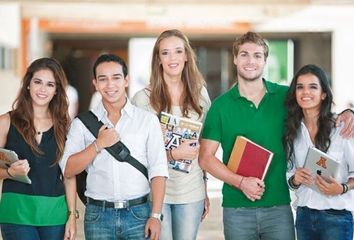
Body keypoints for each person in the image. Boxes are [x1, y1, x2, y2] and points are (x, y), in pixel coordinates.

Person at [198, 31, 354, 240]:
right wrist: (241, 182)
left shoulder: (285, 97)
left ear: (265, 60)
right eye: (244, 54)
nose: (250, 61)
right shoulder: (220, 107)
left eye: (257, 55)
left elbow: (316, 107)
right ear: (235, 58)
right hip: (237, 209)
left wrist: (348, 113)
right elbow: (206, 158)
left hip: (279, 208)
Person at [60, 53, 168, 240]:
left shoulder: (147, 121)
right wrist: (98, 144)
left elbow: (158, 170)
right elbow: (68, 169)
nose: (110, 85)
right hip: (98, 216)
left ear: (126, 80)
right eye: (103, 79)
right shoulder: (82, 124)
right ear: (95, 83)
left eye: (116, 78)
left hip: (139, 214)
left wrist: (155, 215)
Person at [132, 29, 211, 240]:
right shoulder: (142, 100)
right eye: (165, 53)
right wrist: (174, 154)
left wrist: (205, 188)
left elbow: (205, 147)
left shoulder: (200, 94)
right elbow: (136, 154)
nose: (172, 58)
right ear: (158, 59)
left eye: (178, 51)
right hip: (156, 192)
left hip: (191, 190)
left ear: (187, 56)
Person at [0, 57, 77, 240]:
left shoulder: (65, 127)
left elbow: (69, 174)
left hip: (54, 215)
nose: (43, 89)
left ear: (57, 90)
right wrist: (10, 172)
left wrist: (72, 217)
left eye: (50, 84)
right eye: (38, 82)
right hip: (16, 214)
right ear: (28, 84)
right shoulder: (5, 122)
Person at [284, 64, 354, 240]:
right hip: (304, 217)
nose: (305, 92)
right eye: (300, 87)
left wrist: (342, 188)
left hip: (337, 218)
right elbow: (290, 176)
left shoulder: (342, 128)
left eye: (313, 87)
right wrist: (295, 179)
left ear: (324, 94)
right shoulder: (292, 131)